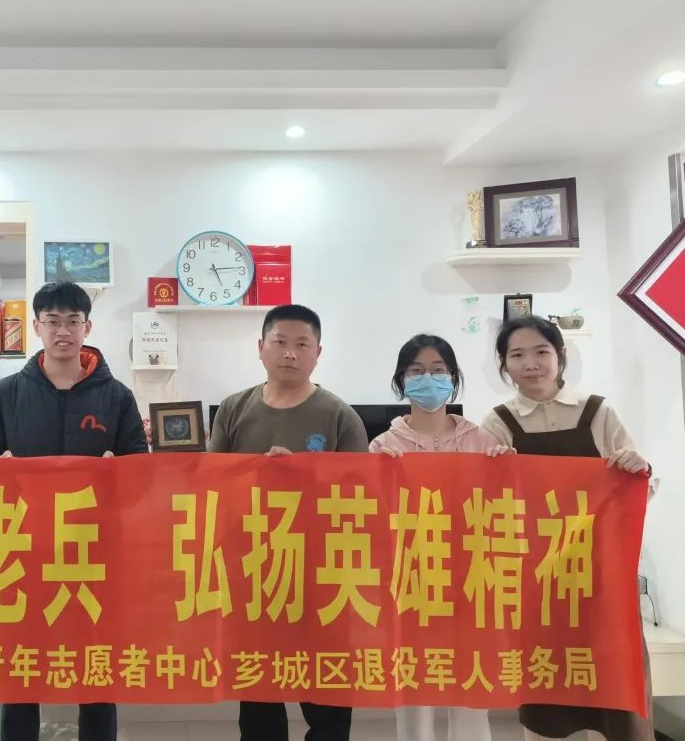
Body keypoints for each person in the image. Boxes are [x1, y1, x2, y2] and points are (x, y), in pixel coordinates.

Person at [0, 281, 148, 741]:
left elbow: (141, 477)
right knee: (21, 667)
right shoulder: (7, 393)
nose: (63, 331)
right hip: (23, 551)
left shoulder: (116, 397)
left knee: (96, 668)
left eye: (73, 321)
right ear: (36, 327)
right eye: (53, 321)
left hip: (93, 553)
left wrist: (118, 476)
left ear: (88, 327)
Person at [481, 315, 654, 741]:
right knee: (545, 689)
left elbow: (638, 490)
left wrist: (640, 469)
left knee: (615, 680)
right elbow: (484, 506)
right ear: (504, 364)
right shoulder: (497, 423)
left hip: (602, 573)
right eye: (517, 355)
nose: (531, 363)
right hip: (537, 579)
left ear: (559, 355)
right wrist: (494, 473)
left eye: (541, 351)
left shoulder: (597, 411)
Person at [208, 303, 368, 741]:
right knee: (259, 693)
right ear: (261, 347)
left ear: (319, 352)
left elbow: (362, 498)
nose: (290, 353)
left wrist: (302, 476)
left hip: (323, 574)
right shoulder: (234, 408)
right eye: (280, 342)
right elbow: (211, 484)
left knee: (328, 693)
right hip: (254, 570)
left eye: (302, 344)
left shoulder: (339, 415)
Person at [368, 334, 512, 741]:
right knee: (414, 695)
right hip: (410, 582)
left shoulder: (484, 441)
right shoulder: (383, 445)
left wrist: (507, 469)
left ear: (453, 377)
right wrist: (376, 474)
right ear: (401, 380)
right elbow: (369, 517)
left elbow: (506, 508)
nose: (427, 379)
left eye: (437, 370)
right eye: (416, 371)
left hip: (472, 581)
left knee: (471, 691)